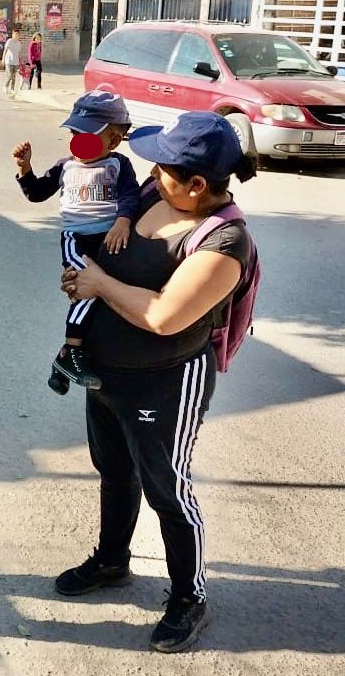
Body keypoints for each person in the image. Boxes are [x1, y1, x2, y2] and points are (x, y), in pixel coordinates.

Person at [56, 111, 257, 653]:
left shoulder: (224, 241)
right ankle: (112, 560)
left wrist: (97, 283)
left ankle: (189, 597)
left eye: (166, 167)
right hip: (106, 372)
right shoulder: (152, 194)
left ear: (197, 184)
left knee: (167, 487)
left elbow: (166, 315)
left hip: (164, 382)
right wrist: (82, 277)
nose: (154, 171)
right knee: (113, 470)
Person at [12, 91, 140, 394]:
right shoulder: (65, 166)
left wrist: (123, 220)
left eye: (87, 136)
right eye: (74, 134)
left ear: (113, 141)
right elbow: (36, 192)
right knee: (87, 287)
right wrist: (24, 169)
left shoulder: (119, 165)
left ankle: (63, 361)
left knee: (106, 293)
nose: (78, 142)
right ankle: (71, 350)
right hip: (76, 238)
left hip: (110, 237)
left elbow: (130, 196)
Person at [2, 27, 22, 97]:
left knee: (14, 76)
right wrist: (3, 59)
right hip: (9, 61)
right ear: (13, 34)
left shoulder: (19, 43)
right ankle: (5, 86)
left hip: (15, 62)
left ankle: (12, 89)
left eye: (17, 34)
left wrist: (20, 62)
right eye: (15, 34)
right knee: (10, 75)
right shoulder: (9, 41)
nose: (16, 35)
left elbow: (18, 53)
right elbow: (5, 50)